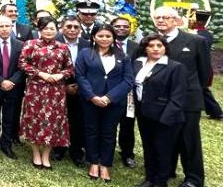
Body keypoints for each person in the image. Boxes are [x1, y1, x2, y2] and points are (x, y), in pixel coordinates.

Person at [153, 6, 209, 187]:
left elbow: (204, 73)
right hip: (161, 100)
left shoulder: (195, 41)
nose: (160, 20)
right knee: (165, 137)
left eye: (165, 17)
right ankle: (166, 170)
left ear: (177, 21)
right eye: (158, 17)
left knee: (188, 140)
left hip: (188, 100)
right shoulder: (152, 42)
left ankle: (193, 178)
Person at [75, 25, 134, 182]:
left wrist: (109, 97)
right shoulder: (85, 54)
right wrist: (92, 96)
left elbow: (128, 80)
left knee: (109, 133)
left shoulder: (123, 56)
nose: (104, 39)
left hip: (114, 103)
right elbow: (80, 76)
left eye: (108, 36)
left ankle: (105, 164)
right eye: (100, 36)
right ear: (94, 37)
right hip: (90, 100)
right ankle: (93, 162)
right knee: (91, 130)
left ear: (113, 38)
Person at [19, 16, 74, 170]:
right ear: (40, 30)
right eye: (46, 28)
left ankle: (46, 154)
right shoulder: (30, 44)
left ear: (57, 30)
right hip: (35, 89)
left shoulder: (62, 47)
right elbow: (22, 63)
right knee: (34, 120)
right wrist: (40, 73)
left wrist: (60, 75)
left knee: (53, 122)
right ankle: (36, 152)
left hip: (56, 91)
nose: (49, 31)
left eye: (52, 28)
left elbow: (69, 68)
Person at [134, 35, 187, 187]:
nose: (156, 48)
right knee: (148, 147)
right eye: (151, 46)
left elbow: (178, 96)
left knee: (162, 150)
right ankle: (150, 178)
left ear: (165, 48)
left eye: (159, 45)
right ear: (145, 48)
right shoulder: (138, 64)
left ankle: (160, 181)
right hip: (144, 115)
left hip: (165, 117)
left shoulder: (175, 67)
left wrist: (165, 119)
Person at [0, 15, 24, 159]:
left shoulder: (21, 45)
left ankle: (6, 144)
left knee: (9, 118)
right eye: (1, 26)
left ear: (11, 27)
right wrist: (1, 81)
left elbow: (23, 67)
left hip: (13, 88)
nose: (4, 29)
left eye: (7, 26)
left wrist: (11, 82)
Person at [53, 15, 90, 165]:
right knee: (59, 119)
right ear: (61, 27)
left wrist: (81, 86)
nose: (72, 30)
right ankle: (59, 149)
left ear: (80, 29)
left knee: (79, 120)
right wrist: (64, 85)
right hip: (59, 87)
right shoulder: (54, 43)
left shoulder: (88, 44)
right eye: (68, 26)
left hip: (82, 88)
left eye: (76, 27)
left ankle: (76, 151)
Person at [112, 16, 140, 168]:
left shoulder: (137, 46)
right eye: (117, 26)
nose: (122, 29)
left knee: (128, 124)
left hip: (130, 94)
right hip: (109, 92)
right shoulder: (104, 44)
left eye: (125, 26)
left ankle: (127, 153)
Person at [193, 10, 223, 120]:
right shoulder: (207, 33)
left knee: (203, 89)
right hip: (202, 64)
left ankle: (216, 111)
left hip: (198, 65)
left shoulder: (198, 34)